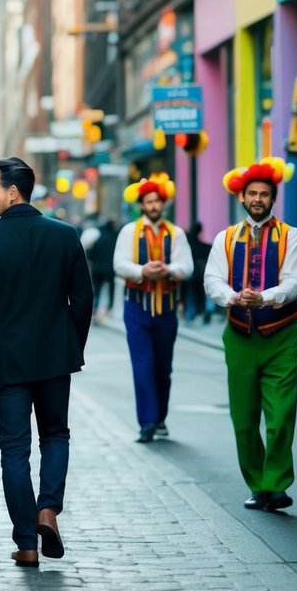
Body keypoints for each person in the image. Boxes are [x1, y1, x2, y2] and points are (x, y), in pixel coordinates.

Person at [0, 157, 93, 569]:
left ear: (12, 192)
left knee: (14, 450)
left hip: (6, 362)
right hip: (55, 356)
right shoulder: (65, 236)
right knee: (55, 435)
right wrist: (70, 345)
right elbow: (83, 301)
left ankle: (26, 543)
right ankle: (48, 511)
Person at [204, 157, 297, 513]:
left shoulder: (291, 235)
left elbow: (294, 282)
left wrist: (265, 297)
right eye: (252, 193)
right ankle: (257, 485)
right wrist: (232, 296)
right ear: (242, 197)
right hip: (239, 336)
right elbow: (212, 280)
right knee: (244, 418)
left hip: (281, 334)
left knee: (280, 413)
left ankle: (276, 485)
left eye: (264, 193)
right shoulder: (225, 237)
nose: (258, 199)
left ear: (273, 198)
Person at [113, 172, 193, 443]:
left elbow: (187, 267)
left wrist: (169, 270)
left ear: (164, 203)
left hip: (167, 308)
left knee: (163, 366)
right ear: (142, 204)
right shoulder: (129, 232)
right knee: (142, 365)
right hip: (137, 307)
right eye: (148, 201)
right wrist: (143, 270)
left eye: (157, 201)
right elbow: (119, 264)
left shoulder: (177, 233)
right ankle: (146, 422)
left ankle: (160, 418)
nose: (153, 206)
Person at [183, 221, 214, 324]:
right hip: (201, 273)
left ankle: (190, 314)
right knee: (207, 293)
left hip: (191, 273)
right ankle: (207, 310)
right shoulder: (204, 247)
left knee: (190, 294)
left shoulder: (187, 244)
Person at [88, 218, 118, 322]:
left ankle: (94, 311)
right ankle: (108, 310)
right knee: (111, 291)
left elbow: (91, 254)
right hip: (111, 269)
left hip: (97, 269)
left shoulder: (99, 237)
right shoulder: (115, 238)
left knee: (97, 291)